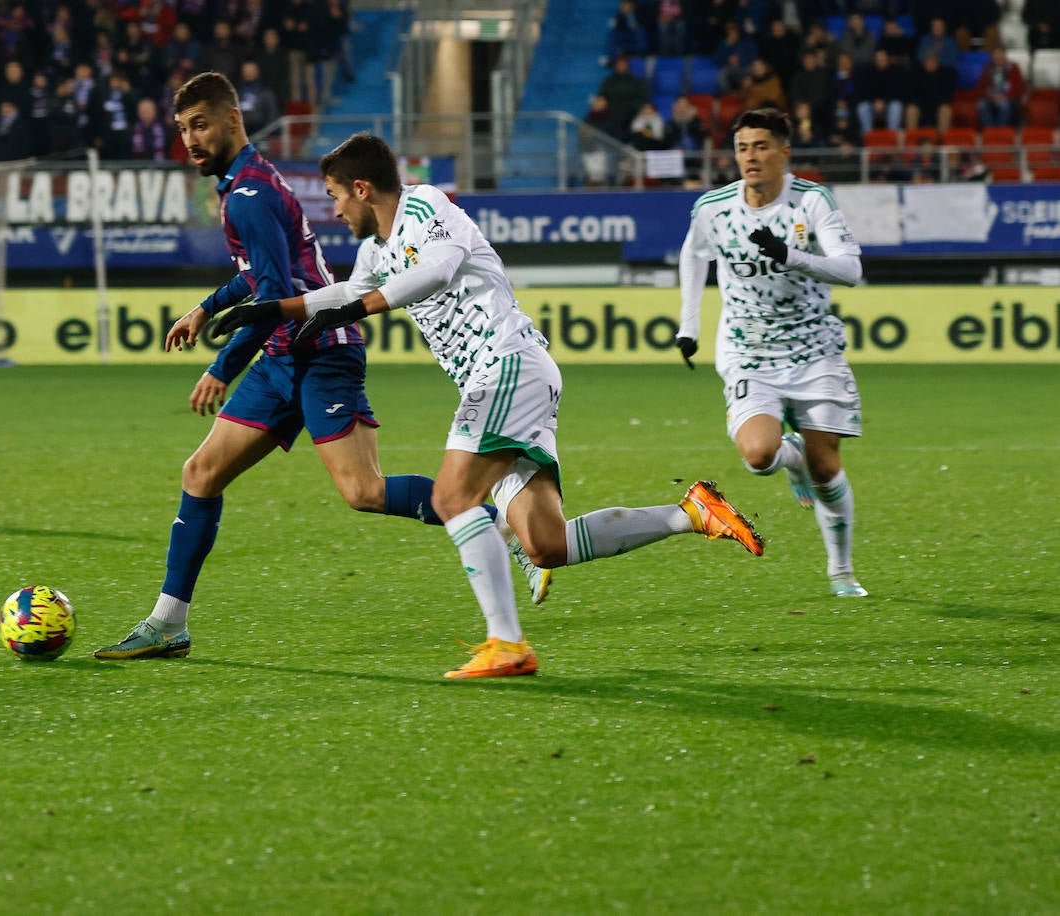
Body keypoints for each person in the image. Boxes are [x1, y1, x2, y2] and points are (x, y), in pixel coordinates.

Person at [212, 132, 765, 679]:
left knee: (454, 497)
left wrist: (359, 309)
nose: (332, 211)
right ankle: (691, 513)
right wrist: (272, 309)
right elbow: (342, 292)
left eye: (335, 196)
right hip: (511, 379)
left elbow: (438, 270)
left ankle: (507, 644)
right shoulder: (372, 252)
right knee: (546, 543)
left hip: (506, 366)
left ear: (361, 188)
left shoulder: (425, 204)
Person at [93, 73, 549, 664]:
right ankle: (168, 623)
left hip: (320, 349)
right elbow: (257, 277)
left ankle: (491, 519)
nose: (190, 140)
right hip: (285, 352)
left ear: (233, 121)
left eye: (200, 125)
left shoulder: (250, 196)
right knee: (201, 473)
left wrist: (223, 366)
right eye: (183, 129)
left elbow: (276, 288)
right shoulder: (243, 185)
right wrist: (206, 308)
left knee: (362, 491)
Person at [674, 108, 866, 599]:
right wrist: (689, 326)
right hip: (748, 349)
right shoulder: (714, 207)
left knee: (827, 468)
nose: (750, 157)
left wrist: (789, 256)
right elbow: (694, 255)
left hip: (813, 347)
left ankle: (840, 571)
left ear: (785, 151)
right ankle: (789, 457)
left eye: (761, 146)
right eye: (742, 148)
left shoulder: (812, 201)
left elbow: (850, 270)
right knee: (759, 456)